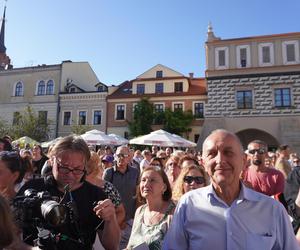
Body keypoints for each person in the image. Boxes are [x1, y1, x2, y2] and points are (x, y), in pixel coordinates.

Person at [163, 129, 299, 249]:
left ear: (244, 160)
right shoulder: (188, 204)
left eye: (228, 152)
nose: (220, 160)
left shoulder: (273, 210)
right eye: (212, 153)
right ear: (203, 163)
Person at [17, 135, 120, 250]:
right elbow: (9, 238)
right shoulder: (32, 188)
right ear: (52, 160)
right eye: (64, 168)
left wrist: (111, 219)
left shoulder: (96, 195)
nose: (70, 175)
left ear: (85, 166)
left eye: (77, 169)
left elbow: (112, 246)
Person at [127, 166, 175, 250]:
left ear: (164, 187)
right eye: (143, 180)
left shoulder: (173, 212)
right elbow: (130, 246)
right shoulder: (140, 211)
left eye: (152, 180)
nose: (146, 184)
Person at [103, 145, 139, 249]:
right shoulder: (109, 173)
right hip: (114, 219)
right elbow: (103, 196)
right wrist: (117, 219)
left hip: (130, 220)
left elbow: (137, 195)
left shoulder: (135, 172)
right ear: (115, 156)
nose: (121, 158)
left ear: (129, 157)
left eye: (124, 155)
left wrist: (135, 218)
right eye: (119, 155)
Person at [86, 151, 126, 228]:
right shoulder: (73, 184)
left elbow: (121, 212)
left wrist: (107, 229)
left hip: (101, 237)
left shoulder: (107, 187)